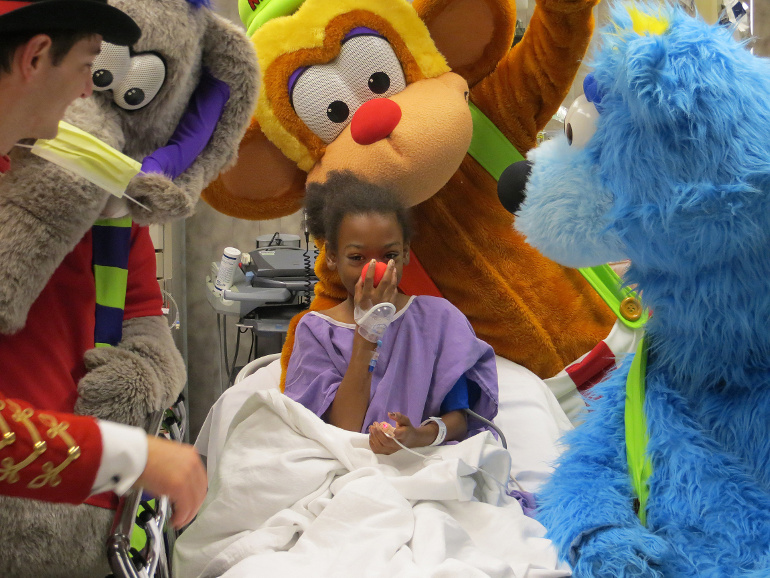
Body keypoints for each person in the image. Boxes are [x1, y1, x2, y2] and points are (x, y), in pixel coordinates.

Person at [0, 0, 205, 528]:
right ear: (37, 57)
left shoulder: (107, 195)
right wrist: (124, 455)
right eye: (88, 67)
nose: (87, 92)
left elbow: (140, 305)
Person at [285, 171, 499, 453]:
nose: (375, 271)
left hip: (421, 459)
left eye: (389, 256)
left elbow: (459, 417)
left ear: (406, 252)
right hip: (348, 462)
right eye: (357, 257)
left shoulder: (440, 320)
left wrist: (418, 436)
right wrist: (367, 333)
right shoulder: (315, 330)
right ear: (333, 256)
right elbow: (343, 430)